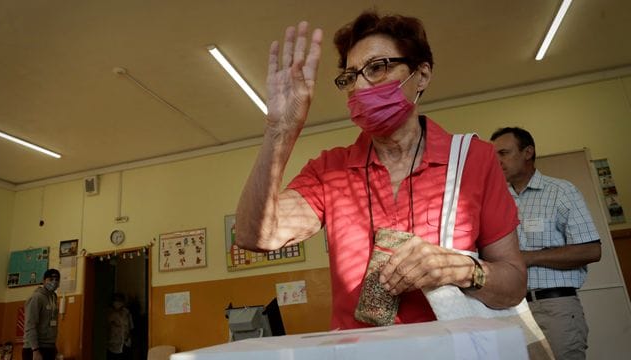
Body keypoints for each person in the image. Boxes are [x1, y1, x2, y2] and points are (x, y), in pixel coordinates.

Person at [235, 10, 526, 330]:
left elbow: (513, 286)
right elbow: (255, 235)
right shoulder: (330, 170)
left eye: (377, 67)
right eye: (350, 76)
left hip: (451, 346)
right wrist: (281, 129)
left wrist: (459, 269)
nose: (360, 86)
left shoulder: (473, 159)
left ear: (422, 74)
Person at [491, 127, 602, 359]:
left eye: (503, 153)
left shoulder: (561, 191)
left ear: (527, 152)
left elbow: (591, 250)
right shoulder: (495, 198)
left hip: (555, 308)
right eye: (494, 156)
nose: (497, 161)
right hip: (508, 310)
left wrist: (528, 257)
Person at [23, 268, 60, 360]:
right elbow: (30, 325)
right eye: (51, 279)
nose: (54, 282)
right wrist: (35, 350)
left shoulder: (53, 297)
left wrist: (54, 348)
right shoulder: (36, 298)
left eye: (56, 280)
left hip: (49, 346)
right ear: (43, 281)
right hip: (34, 348)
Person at [107, 293, 134, 360]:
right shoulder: (109, 313)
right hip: (113, 345)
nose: (118, 303)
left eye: (120, 301)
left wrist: (129, 338)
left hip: (125, 344)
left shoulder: (127, 312)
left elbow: (131, 327)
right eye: (116, 300)